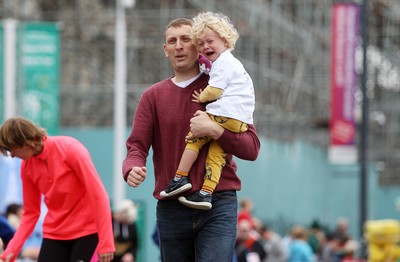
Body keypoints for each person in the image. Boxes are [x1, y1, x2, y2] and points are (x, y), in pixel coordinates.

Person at [122, 17, 260, 262]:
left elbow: (251, 148)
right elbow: (136, 146)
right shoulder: (152, 97)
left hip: (217, 202)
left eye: (186, 39)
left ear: (198, 46)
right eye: (172, 41)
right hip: (172, 206)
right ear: (165, 50)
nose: (179, 46)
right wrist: (131, 167)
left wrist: (215, 130)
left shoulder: (222, 85)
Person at [160, 11, 255, 211]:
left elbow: (215, 90)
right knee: (216, 156)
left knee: (194, 137)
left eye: (209, 41)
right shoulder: (226, 65)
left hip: (224, 116)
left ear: (225, 40)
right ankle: (205, 193)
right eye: (201, 43)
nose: (205, 46)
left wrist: (202, 99)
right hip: (238, 120)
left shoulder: (222, 65)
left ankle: (179, 178)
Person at [0, 117, 115, 262]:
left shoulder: (71, 149)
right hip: (55, 232)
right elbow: (31, 213)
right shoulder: (26, 166)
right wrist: (12, 249)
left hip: (86, 230)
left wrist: (107, 242)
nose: (13, 156)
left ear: (24, 141)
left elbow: (99, 196)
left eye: (11, 150)